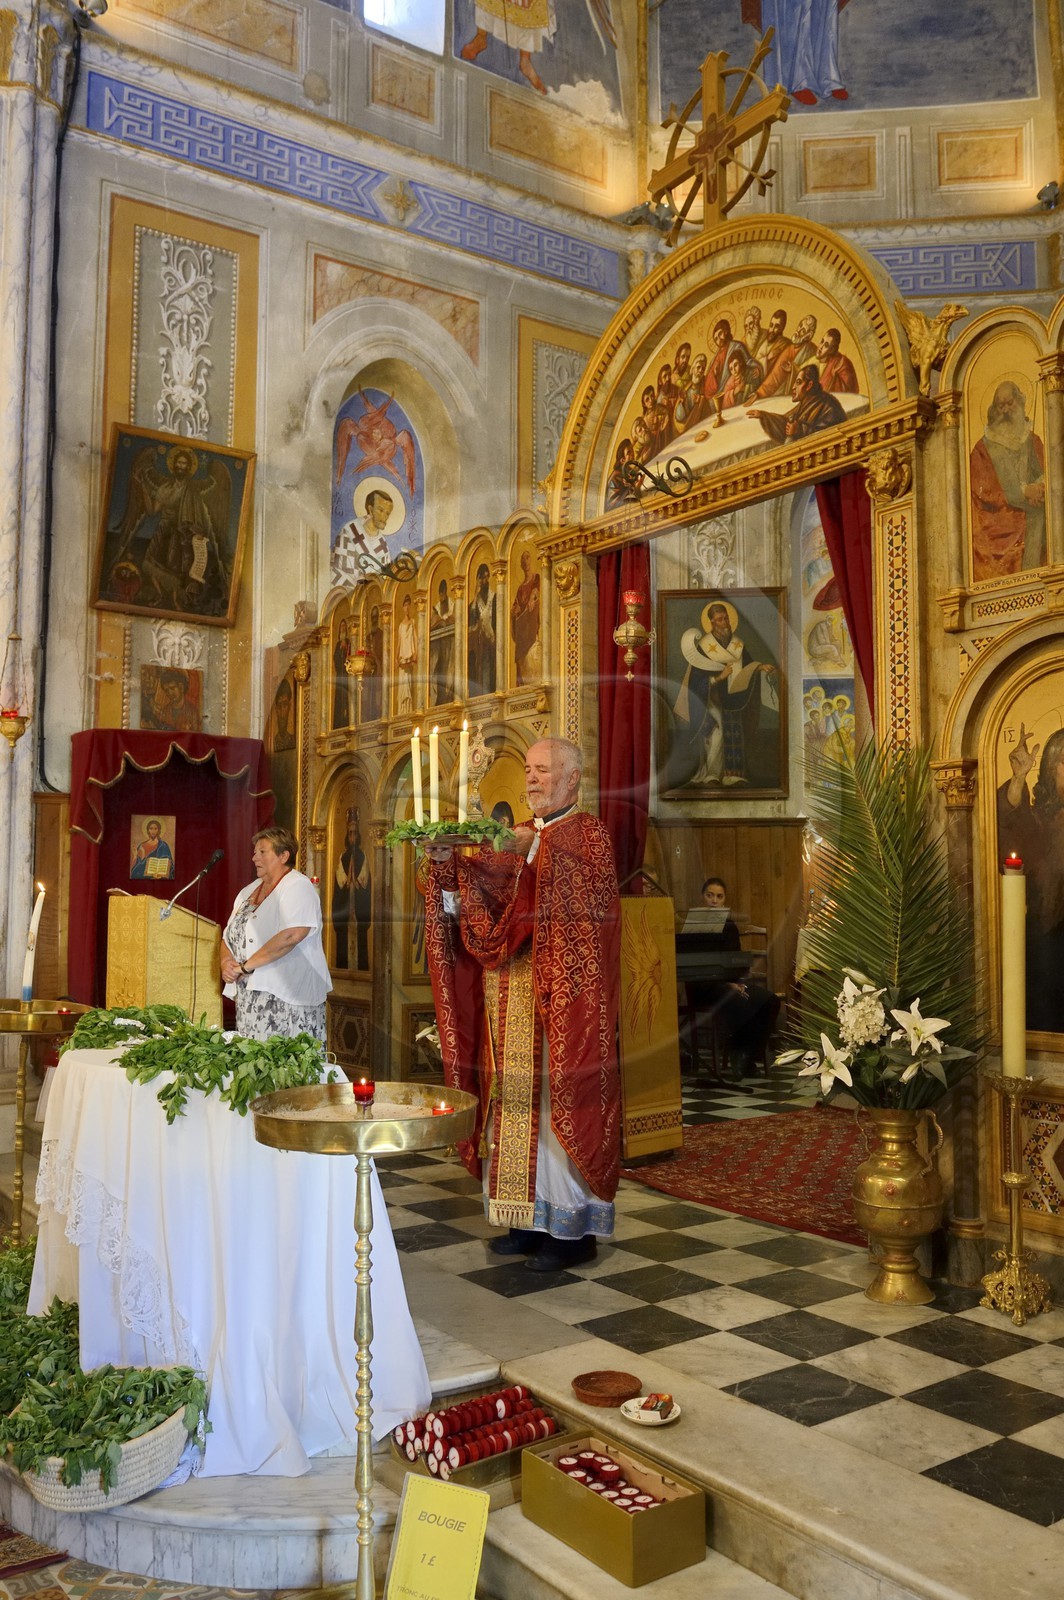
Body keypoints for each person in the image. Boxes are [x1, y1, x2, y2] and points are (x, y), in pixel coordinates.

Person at [424, 738, 621, 1273]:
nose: (531, 779)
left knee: (554, 1109)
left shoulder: (588, 835)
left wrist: (526, 853)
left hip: (559, 1004)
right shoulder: (521, 838)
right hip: (507, 996)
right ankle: (523, 1220)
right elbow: (477, 906)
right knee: (510, 1106)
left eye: (542, 770)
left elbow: (578, 905)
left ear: (572, 779)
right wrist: (446, 866)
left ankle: (570, 1230)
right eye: (529, 771)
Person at [221, 827, 332, 1042]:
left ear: (284, 855)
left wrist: (245, 966)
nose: (255, 858)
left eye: (262, 852)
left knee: (288, 1068)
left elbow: (292, 935)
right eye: (254, 852)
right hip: (251, 997)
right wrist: (226, 962)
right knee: (255, 1065)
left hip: (288, 997)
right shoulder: (248, 891)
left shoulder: (298, 886)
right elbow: (228, 935)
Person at [997, 723, 1064, 1034]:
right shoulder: (1039, 818)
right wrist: (1019, 778)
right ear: (1050, 769)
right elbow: (1009, 828)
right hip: (1047, 940)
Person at [673, 600, 778, 786]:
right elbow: (695, 681)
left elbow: (747, 666)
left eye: (726, 618)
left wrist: (760, 667)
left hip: (732, 698)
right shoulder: (704, 646)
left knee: (734, 729)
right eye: (720, 619)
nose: (725, 622)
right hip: (708, 701)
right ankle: (711, 775)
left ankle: (733, 774)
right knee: (717, 732)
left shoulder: (737, 644)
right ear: (712, 623)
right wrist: (719, 678)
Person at [687, 877, 780, 1079]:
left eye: (719, 897)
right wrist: (727, 983)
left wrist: (737, 982)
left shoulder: (729, 926)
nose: (714, 900)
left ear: (724, 900)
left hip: (729, 984)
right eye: (710, 895)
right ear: (702, 897)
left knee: (769, 1000)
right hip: (704, 987)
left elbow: (735, 960)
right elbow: (694, 963)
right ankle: (740, 1054)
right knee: (736, 1001)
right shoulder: (693, 925)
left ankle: (746, 1055)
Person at [970, 380, 1046, 580]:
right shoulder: (982, 448)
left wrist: (1040, 487)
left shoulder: (1031, 440)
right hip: (997, 516)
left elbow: (1048, 471)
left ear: (1021, 403)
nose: (1005, 411)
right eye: (1000, 405)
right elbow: (982, 490)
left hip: (1032, 509)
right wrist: (1022, 492)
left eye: (1009, 403)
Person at [748, 363, 846, 443]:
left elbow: (828, 433)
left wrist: (800, 430)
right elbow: (785, 421)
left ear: (809, 385)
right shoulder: (806, 403)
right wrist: (764, 416)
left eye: (798, 383)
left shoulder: (828, 405)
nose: (793, 387)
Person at [332, 811, 372, 972]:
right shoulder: (342, 857)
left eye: (355, 833)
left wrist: (356, 881)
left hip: (358, 912)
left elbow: (364, 882)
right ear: (347, 836)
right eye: (350, 834)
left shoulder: (363, 857)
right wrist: (347, 881)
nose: (352, 837)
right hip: (345, 912)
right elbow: (340, 882)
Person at [510, 549, 542, 684]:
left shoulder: (536, 578)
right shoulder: (520, 588)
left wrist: (533, 597)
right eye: (523, 559)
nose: (525, 561)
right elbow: (515, 608)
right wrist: (514, 611)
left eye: (527, 557)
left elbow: (536, 592)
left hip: (531, 628)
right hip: (522, 633)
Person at [467, 562, 497, 695]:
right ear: (478, 580)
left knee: (490, 672)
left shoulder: (494, 598)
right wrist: (474, 594)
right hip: (479, 646)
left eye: (487, 577)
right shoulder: (473, 604)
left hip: (492, 643)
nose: (485, 581)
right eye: (482, 578)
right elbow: (471, 624)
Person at [429, 579, 455, 705]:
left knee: (448, 670)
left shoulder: (452, 604)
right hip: (437, 645)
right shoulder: (436, 607)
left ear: (446, 592)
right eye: (440, 594)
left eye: (443, 594)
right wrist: (439, 621)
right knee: (437, 671)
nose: (441, 597)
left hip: (449, 643)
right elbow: (432, 623)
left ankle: (448, 697)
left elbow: (454, 618)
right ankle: (439, 699)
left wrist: (446, 621)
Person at [817, 327, 860, 393]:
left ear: (832, 349)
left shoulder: (841, 363)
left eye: (826, 345)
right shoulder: (814, 361)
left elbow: (849, 392)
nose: (821, 347)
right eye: (822, 341)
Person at [396, 593, 418, 715]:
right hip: (402, 658)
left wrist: (415, 653)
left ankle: (408, 709)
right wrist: (396, 657)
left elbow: (415, 637)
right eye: (405, 606)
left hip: (409, 657)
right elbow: (399, 641)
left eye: (409, 606)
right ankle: (402, 711)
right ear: (403, 607)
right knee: (402, 684)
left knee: (408, 683)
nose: (407, 608)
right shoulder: (400, 626)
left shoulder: (413, 622)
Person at [332, 616, 350, 729]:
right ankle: (338, 722)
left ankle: (347, 720)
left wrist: (346, 649)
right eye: (341, 626)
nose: (343, 628)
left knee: (346, 698)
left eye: (344, 626)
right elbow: (336, 659)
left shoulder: (348, 642)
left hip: (347, 675)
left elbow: (350, 657)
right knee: (339, 699)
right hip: (340, 676)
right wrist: (340, 651)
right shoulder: (338, 645)